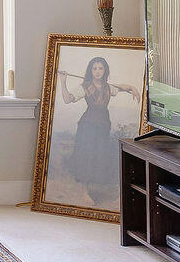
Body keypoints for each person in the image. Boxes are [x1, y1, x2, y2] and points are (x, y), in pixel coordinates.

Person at [57, 55, 136, 203]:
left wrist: (133, 88)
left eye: (101, 68)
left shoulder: (108, 87)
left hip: (103, 126)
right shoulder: (85, 87)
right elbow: (68, 99)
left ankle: (91, 189)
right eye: (95, 68)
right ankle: (83, 192)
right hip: (88, 126)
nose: (98, 71)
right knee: (86, 156)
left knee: (98, 157)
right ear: (90, 70)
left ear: (105, 70)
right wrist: (63, 81)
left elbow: (122, 87)